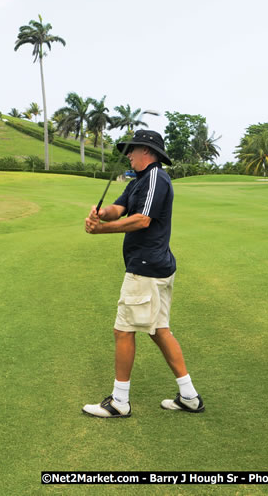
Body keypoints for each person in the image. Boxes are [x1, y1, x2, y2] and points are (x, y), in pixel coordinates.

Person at [82, 130, 204, 418]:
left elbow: (141, 220)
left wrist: (101, 230)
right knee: (159, 331)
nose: (128, 154)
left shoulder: (155, 178)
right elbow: (120, 208)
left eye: (131, 150)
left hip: (146, 268)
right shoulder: (140, 181)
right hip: (156, 266)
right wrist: (102, 213)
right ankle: (189, 396)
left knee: (123, 329)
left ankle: (119, 402)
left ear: (146, 152)